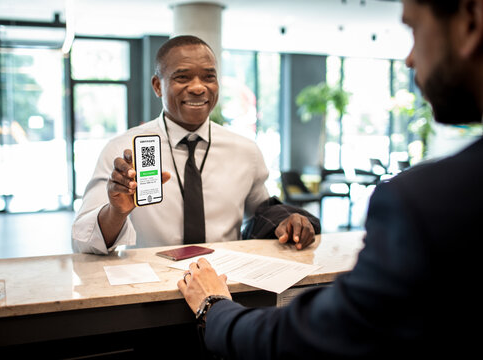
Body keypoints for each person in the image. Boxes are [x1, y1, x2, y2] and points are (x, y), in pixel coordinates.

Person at [177, 0, 483, 358]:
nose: (409, 59)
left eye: (414, 29)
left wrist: (214, 307)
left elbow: (312, 338)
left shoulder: (425, 204)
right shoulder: (125, 149)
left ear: (471, 20)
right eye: (183, 76)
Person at [72, 35, 320, 254]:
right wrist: (117, 212)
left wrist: (286, 222)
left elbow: (261, 213)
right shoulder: (122, 150)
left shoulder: (245, 151)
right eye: (183, 77)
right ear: (158, 86)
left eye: (209, 77)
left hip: (228, 284)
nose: (199, 88)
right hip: (150, 286)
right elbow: (82, 240)